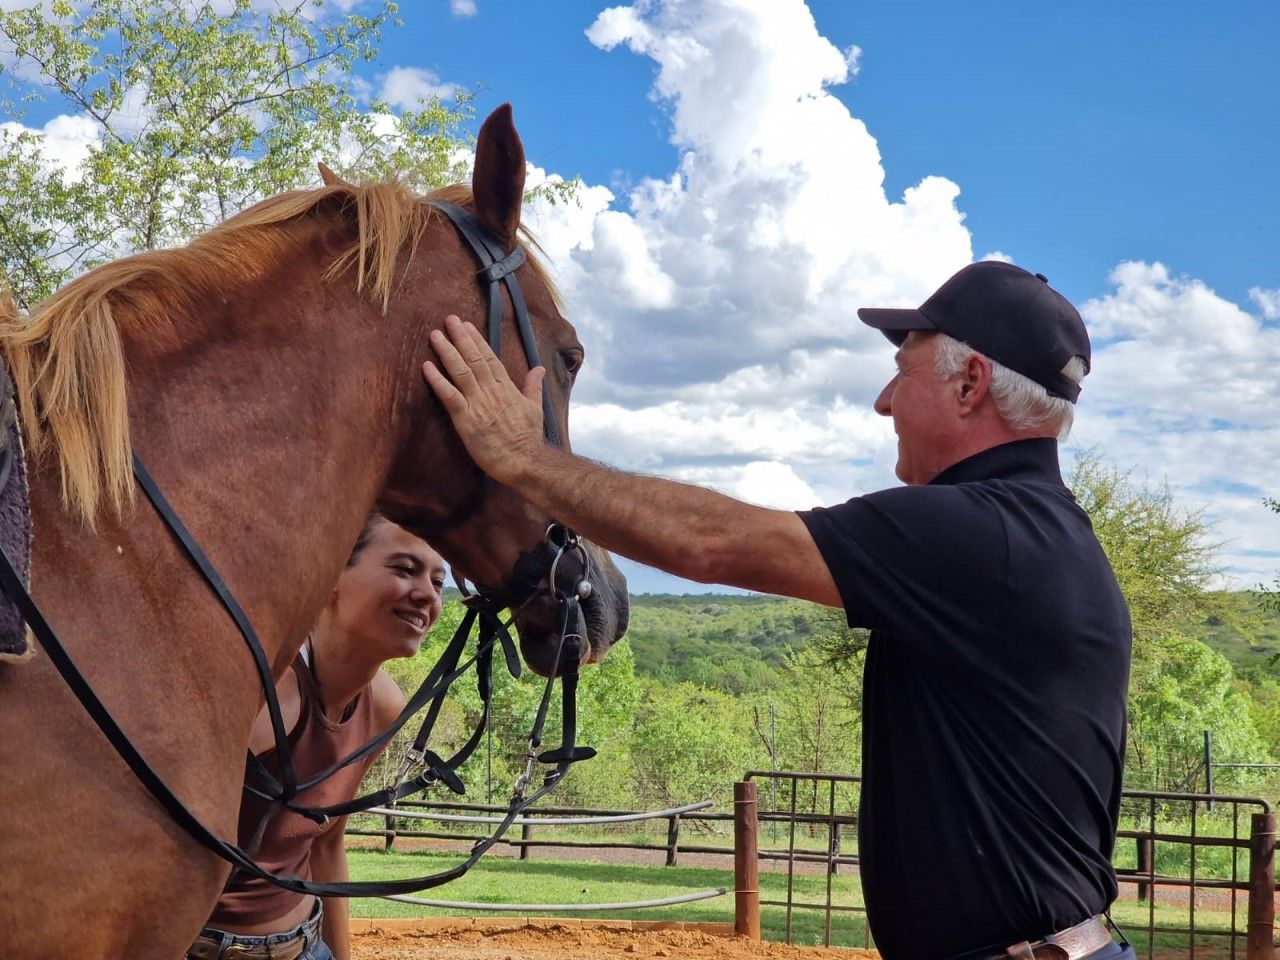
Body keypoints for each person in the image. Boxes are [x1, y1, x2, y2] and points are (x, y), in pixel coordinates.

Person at [422, 260, 1133, 960]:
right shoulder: (1043, 534)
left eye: (903, 372)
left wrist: (522, 458)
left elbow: (713, 545)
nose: (884, 402)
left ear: (971, 383)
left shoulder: (983, 534)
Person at [187, 513, 447, 960]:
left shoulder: (384, 705)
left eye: (439, 582)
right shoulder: (265, 696)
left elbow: (326, 843)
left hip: (307, 947)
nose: (427, 594)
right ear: (328, 577)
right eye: (405, 569)